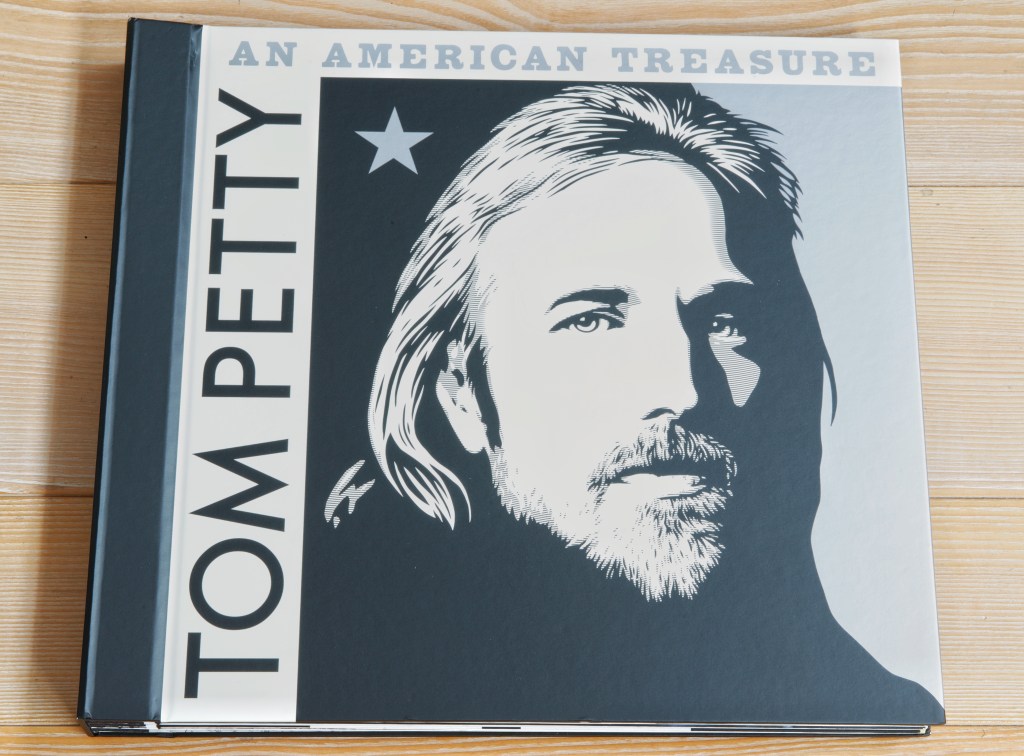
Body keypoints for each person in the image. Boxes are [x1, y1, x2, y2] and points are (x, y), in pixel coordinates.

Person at [308, 84, 943, 725]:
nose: (683, 391)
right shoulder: (353, 686)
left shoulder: (873, 708)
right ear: (461, 391)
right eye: (590, 321)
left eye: (724, 322)